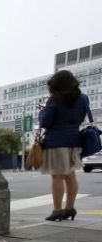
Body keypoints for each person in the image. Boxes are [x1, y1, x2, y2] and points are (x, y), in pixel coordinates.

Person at [38, 70, 88, 221]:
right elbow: (80, 118)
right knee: (70, 175)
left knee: (57, 176)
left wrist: (42, 112)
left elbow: (45, 122)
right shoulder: (83, 99)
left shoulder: (54, 100)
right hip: (74, 140)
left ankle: (57, 210)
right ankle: (70, 208)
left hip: (56, 141)